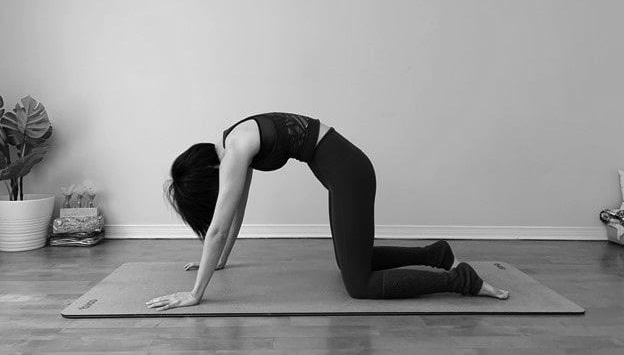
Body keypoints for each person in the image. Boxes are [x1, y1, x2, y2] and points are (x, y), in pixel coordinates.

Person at [146, 112, 509, 311]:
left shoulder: (236, 151)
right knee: (349, 262)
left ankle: (462, 280)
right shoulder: (235, 141)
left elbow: (218, 227)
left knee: (359, 285)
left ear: (209, 174)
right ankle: (436, 254)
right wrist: (221, 262)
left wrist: (195, 293)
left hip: (350, 174)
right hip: (343, 172)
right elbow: (235, 213)